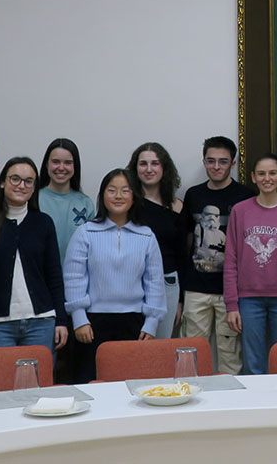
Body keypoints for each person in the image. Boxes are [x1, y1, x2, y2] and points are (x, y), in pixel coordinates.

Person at [62, 169, 165, 384]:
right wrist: (79, 319)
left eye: (125, 191)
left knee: (132, 385)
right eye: (112, 190)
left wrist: (151, 322)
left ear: (134, 196)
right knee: (91, 384)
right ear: (102, 196)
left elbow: (154, 282)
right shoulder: (86, 232)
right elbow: (73, 278)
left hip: (135, 323)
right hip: (92, 323)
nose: (118, 196)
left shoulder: (146, 235)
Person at [0, 158, 68, 350]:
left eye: (28, 181)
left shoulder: (43, 223)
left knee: (38, 371)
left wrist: (61, 320)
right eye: (15, 179)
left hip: (41, 322)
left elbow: (54, 275)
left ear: (34, 187)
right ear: (2, 182)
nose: (21, 185)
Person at [224, 154, 277, 375]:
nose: (267, 178)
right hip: (249, 299)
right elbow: (231, 259)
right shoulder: (240, 211)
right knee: (253, 364)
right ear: (253, 177)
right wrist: (231, 305)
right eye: (261, 174)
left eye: (272, 173)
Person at [180, 136, 252, 376]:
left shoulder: (245, 196)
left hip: (230, 292)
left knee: (230, 354)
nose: (216, 166)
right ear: (204, 162)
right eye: (211, 161)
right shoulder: (193, 195)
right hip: (196, 288)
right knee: (191, 351)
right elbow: (186, 242)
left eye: (223, 161)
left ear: (233, 163)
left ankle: (230, 398)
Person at [128, 142, 186, 338]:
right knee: (131, 347)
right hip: (131, 284)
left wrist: (180, 300)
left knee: (159, 348)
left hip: (167, 285)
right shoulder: (126, 204)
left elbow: (181, 255)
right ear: (135, 168)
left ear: (164, 168)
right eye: (143, 164)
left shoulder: (177, 207)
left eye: (155, 163)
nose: (149, 169)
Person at [36, 139, 93, 268]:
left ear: (75, 166)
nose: (61, 168)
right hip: (40, 276)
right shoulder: (34, 200)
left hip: (75, 275)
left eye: (68, 163)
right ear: (46, 164)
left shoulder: (86, 203)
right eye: (55, 162)